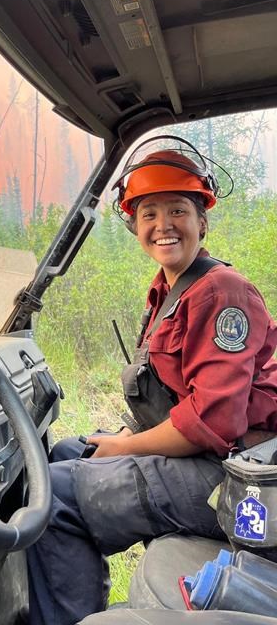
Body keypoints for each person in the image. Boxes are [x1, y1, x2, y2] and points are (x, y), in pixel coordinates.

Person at [26, 136, 277, 625]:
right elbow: (175, 398)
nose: (163, 225)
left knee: (53, 494)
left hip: (235, 478)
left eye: (178, 210)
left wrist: (125, 448)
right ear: (135, 226)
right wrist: (126, 439)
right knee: (62, 455)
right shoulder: (168, 291)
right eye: (149, 214)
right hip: (208, 458)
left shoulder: (221, 292)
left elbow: (212, 422)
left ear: (202, 221)